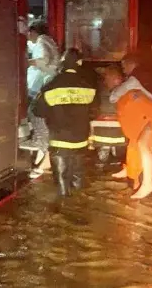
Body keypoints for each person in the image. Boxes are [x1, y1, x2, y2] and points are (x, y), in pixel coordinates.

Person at [33, 48, 97, 196]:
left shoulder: (51, 85)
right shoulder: (88, 85)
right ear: (79, 63)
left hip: (59, 141)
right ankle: (79, 209)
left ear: (62, 63)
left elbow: (38, 111)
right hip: (81, 140)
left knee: (62, 184)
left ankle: (64, 208)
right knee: (78, 180)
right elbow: (94, 111)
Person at [104, 65, 152, 199]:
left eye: (107, 78)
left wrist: (149, 130)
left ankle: (147, 185)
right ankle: (131, 174)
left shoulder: (131, 93)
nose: (104, 81)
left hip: (147, 127)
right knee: (134, 159)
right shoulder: (123, 97)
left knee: (142, 147)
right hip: (137, 132)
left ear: (117, 79)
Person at [26, 21, 60, 178]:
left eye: (29, 33)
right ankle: (41, 156)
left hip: (42, 87)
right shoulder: (48, 41)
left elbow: (43, 60)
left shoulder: (42, 42)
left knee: (36, 115)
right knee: (40, 121)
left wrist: (28, 62)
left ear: (34, 32)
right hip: (46, 85)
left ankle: (41, 151)